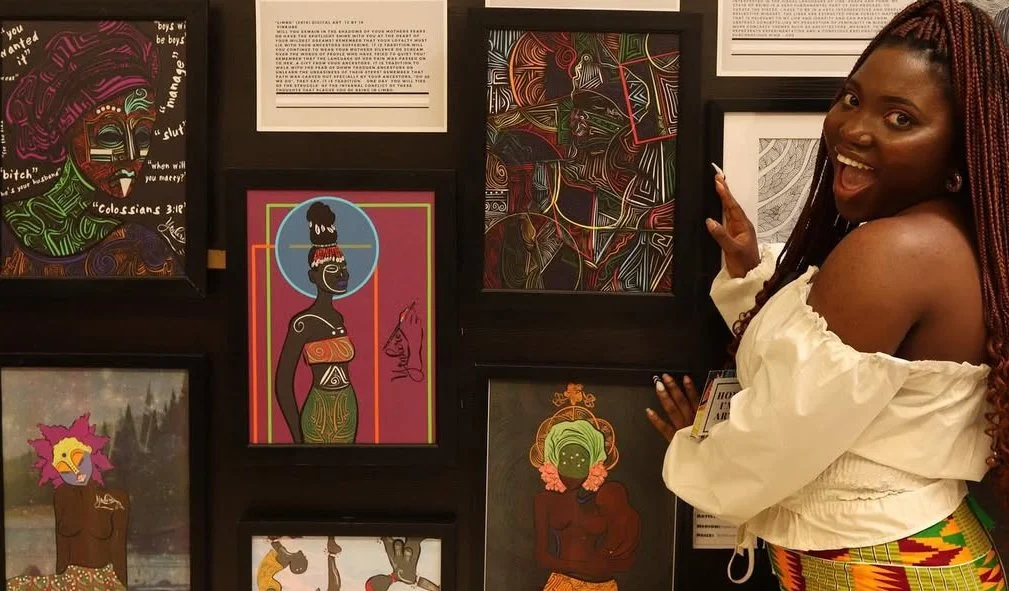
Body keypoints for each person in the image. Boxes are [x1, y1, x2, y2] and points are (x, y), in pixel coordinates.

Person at [648, 1, 1009, 588]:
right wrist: (752, 276)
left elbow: (772, 448)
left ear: (959, 147)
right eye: (851, 98)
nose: (855, 128)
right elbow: (844, 375)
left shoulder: (893, 252)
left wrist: (700, 448)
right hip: (910, 554)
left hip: (884, 568)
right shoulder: (943, 239)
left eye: (901, 119)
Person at [0, 21, 177, 278]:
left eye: (142, 135)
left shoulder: (139, 247)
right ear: (66, 129)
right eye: (109, 135)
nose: (131, 154)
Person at [531, 389, 640, 591]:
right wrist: (585, 567)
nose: (572, 468)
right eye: (566, 459)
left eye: (580, 460)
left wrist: (604, 563)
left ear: (593, 462)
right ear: (554, 460)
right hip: (562, 584)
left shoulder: (607, 496)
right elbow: (542, 556)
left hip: (604, 585)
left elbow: (625, 552)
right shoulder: (545, 500)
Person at [6, 414, 129, 591]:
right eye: (64, 467)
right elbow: (62, 558)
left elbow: (119, 555)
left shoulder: (116, 498)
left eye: (78, 459)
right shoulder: (62, 497)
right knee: (15, 585)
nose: (74, 470)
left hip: (105, 581)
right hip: (69, 581)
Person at [275, 201, 359, 444]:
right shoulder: (303, 323)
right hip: (318, 415)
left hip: (348, 410)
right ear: (313, 276)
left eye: (343, 267)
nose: (342, 274)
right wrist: (297, 438)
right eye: (332, 268)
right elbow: (283, 383)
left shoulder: (338, 319)